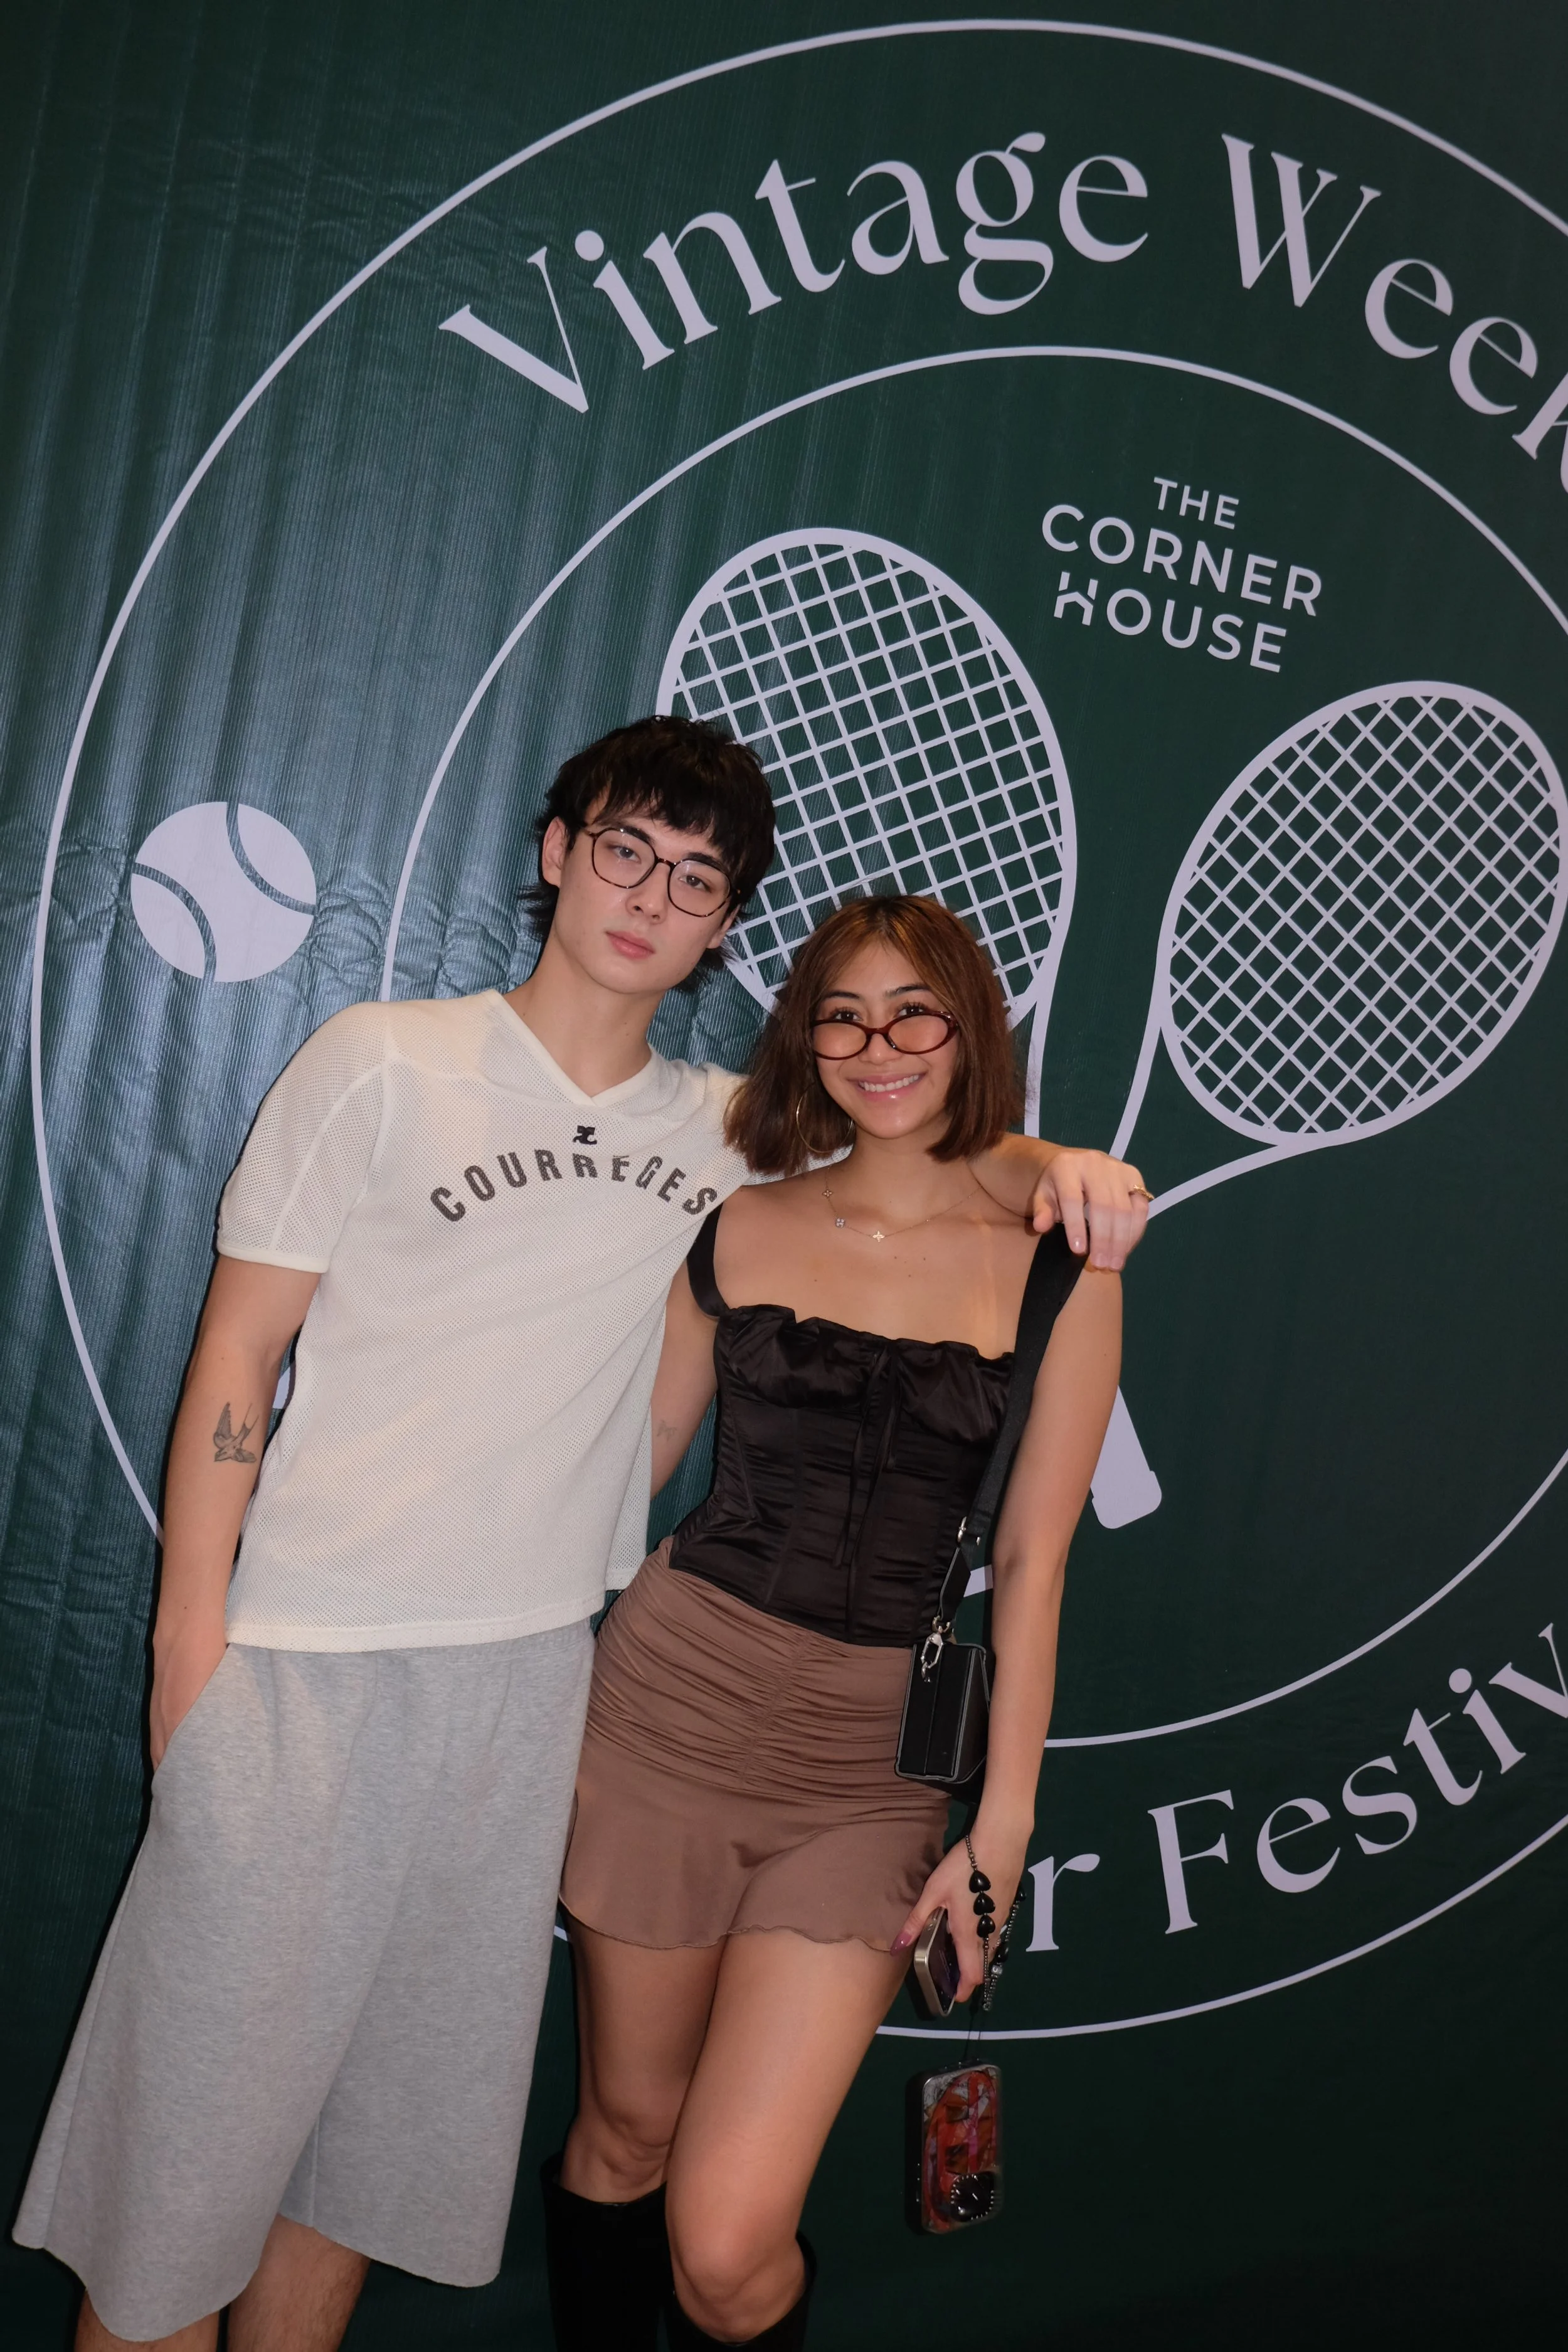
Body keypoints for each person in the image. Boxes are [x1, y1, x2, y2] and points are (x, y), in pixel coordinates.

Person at [15, 717, 1149, 2352]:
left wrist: (1065, 1162)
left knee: (359, 2172)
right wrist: (192, 1641)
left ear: (720, 921)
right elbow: (235, 1361)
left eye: (694, 876)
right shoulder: (379, 1058)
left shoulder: (724, 1136)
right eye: (623, 848)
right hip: (310, 1674)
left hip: (538, 1693)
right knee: (177, 2190)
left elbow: (921, 1135)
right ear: (556, 850)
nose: (648, 893)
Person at [549, 893, 1124, 2351]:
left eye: (914, 1011)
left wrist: (996, 1832)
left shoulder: (1065, 1269)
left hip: (864, 1777)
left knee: (730, 2245)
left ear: (971, 1028)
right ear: (805, 1040)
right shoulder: (734, 1223)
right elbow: (616, 1483)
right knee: (623, 2132)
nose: (880, 1045)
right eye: (844, 1015)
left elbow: (1036, 1569)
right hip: (662, 1714)